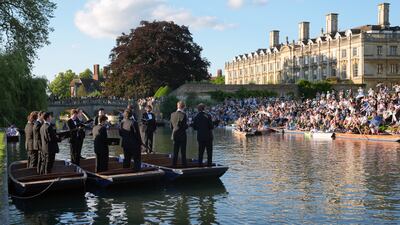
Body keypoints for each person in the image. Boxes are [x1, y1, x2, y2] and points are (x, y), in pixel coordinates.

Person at [170, 101, 189, 167]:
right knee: (183, 152)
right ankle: (184, 166)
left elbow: (171, 126)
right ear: (183, 107)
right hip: (182, 136)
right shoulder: (184, 115)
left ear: (177, 106)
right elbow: (184, 126)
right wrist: (187, 125)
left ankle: (174, 165)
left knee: (175, 152)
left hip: (174, 135)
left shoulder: (172, 114)